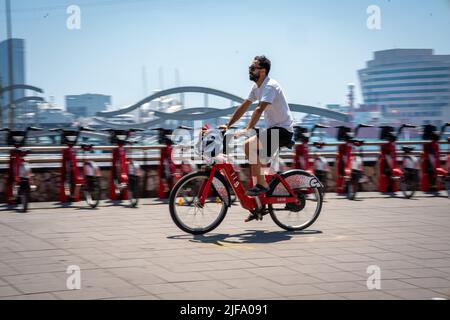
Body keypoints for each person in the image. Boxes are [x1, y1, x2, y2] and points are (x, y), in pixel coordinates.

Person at [222, 55, 294, 219]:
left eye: (253, 67)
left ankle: (262, 185)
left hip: (283, 130)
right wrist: (228, 125)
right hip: (273, 130)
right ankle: (259, 205)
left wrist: (248, 129)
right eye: (250, 67)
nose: (250, 69)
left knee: (248, 145)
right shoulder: (257, 87)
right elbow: (244, 107)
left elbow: (258, 110)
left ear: (263, 71)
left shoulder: (270, 86)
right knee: (253, 157)